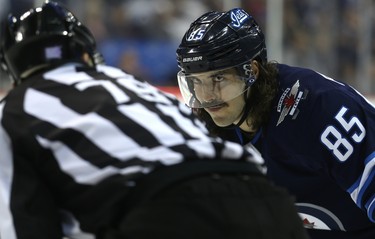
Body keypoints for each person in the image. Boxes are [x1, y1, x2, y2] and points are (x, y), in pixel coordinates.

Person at [0, 2, 309, 239]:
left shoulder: (12, 111)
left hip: (166, 212)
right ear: (85, 56)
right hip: (266, 199)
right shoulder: (129, 84)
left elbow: (22, 225)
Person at [176, 7, 375, 239]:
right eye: (196, 82)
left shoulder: (319, 108)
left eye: (218, 78)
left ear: (251, 70)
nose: (206, 96)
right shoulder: (209, 128)